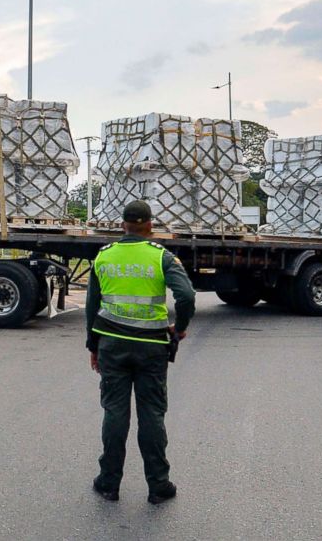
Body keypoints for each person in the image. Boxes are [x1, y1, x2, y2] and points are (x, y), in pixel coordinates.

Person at [85, 200, 196, 505]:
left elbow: (92, 307)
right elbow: (186, 295)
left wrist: (92, 346)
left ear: (123, 225)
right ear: (150, 225)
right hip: (152, 347)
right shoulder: (162, 257)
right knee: (152, 414)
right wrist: (180, 327)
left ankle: (109, 483)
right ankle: (158, 485)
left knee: (114, 412)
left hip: (111, 344)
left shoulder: (104, 257)